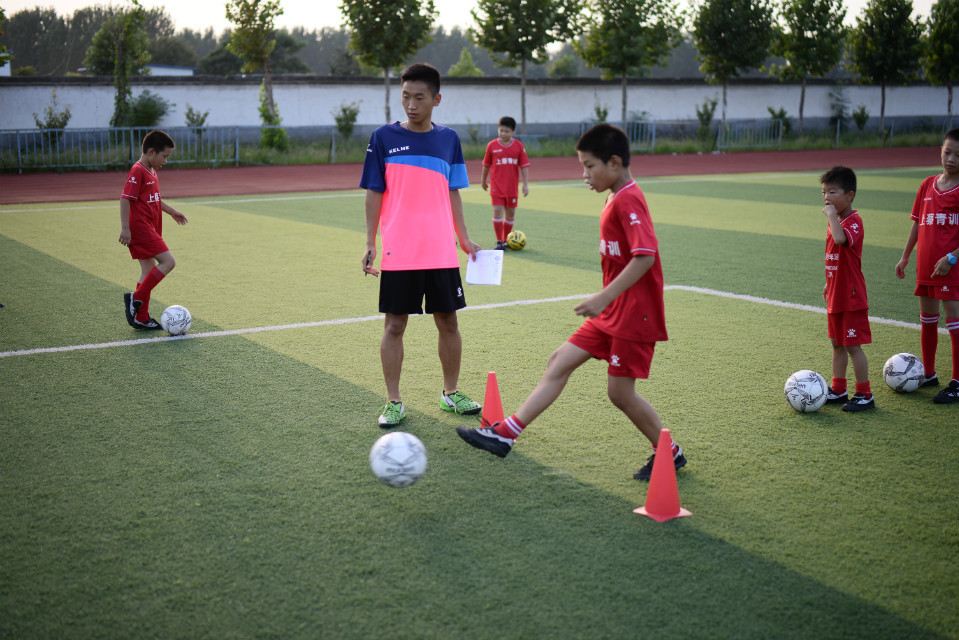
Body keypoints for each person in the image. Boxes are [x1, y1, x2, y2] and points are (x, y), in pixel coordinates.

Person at [456, 123, 685, 481]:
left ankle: (670, 452)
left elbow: (645, 256)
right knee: (560, 360)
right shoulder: (614, 196)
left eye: (589, 166)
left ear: (614, 163)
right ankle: (505, 435)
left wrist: (604, 296)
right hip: (613, 311)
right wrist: (607, 301)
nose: (584, 174)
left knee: (620, 394)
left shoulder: (629, 199)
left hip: (633, 314)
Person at [360, 62, 484, 427]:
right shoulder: (383, 138)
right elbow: (373, 192)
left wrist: (463, 237)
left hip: (441, 249)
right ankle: (393, 401)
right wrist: (370, 241)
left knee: (449, 322)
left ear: (436, 99)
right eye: (405, 97)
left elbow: (453, 192)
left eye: (419, 97)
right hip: (400, 250)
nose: (411, 105)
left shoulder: (449, 140)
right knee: (395, 325)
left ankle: (450, 392)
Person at [895, 127, 959, 404]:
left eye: (958, 155)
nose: (951, 159)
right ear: (940, 151)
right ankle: (930, 374)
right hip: (926, 267)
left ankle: (957, 382)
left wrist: (952, 258)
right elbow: (917, 224)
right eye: (948, 152)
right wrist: (905, 256)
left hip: (951, 268)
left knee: (954, 323)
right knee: (928, 320)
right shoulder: (927, 184)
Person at [119, 129, 188, 330]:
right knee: (169, 262)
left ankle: (141, 317)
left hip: (150, 226)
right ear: (151, 152)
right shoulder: (138, 171)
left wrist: (171, 211)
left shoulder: (151, 170)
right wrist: (125, 228)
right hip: (140, 228)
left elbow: (155, 199)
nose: (165, 161)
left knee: (148, 270)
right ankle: (136, 298)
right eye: (164, 156)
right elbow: (125, 199)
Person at [819, 166, 875, 411]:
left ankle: (865, 393)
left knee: (852, 345)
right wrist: (829, 282)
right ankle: (839, 389)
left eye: (833, 192)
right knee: (837, 343)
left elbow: (841, 240)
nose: (826, 197)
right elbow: (838, 257)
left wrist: (831, 216)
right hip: (836, 293)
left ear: (850, 195)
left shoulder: (853, 221)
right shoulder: (838, 221)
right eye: (824, 192)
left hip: (851, 296)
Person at [481, 116, 530, 250]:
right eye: (501, 130)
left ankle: (506, 240)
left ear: (513, 132)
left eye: (507, 131)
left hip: (512, 187)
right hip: (497, 186)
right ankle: (499, 241)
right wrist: (483, 180)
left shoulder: (518, 146)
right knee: (497, 211)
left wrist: (525, 184)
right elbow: (486, 165)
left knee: (510, 214)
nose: (503, 134)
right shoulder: (492, 146)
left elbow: (524, 166)